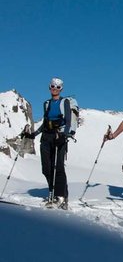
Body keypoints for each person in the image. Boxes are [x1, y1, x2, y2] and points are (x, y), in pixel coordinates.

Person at [22, 77, 71, 210]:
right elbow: (45, 123)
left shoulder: (64, 102)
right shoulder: (46, 103)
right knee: (46, 168)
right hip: (46, 137)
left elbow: (68, 121)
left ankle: (61, 196)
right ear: (49, 87)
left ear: (61, 88)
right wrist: (34, 134)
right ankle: (54, 193)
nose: (54, 88)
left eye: (57, 87)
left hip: (58, 136)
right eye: (52, 86)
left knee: (58, 167)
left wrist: (64, 136)